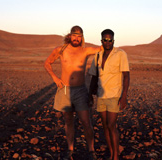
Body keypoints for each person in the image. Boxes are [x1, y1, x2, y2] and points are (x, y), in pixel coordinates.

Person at [44, 25, 101, 160]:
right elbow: (47, 63)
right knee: (68, 121)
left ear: (82, 38)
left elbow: (103, 48)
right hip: (64, 90)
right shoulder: (60, 50)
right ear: (70, 36)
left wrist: (110, 41)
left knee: (86, 122)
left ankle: (91, 150)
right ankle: (70, 149)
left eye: (79, 36)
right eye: (74, 35)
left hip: (80, 90)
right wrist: (55, 78)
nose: (76, 38)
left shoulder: (85, 51)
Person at [89, 29, 130, 160]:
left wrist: (124, 96)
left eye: (110, 40)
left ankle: (116, 156)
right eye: (105, 40)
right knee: (105, 126)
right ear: (101, 40)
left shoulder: (120, 54)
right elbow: (94, 77)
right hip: (101, 96)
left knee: (112, 125)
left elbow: (126, 76)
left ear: (113, 40)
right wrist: (90, 94)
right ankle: (112, 152)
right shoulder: (98, 55)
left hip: (114, 95)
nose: (108, 42)